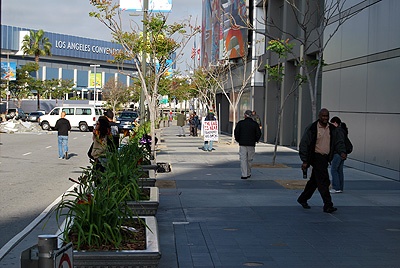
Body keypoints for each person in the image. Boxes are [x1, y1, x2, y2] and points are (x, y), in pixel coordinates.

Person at [297, 108, 347, 213]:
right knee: (324, 181)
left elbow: (338, 142)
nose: (325, 118)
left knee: (314, 181)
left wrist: (342, 152)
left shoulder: (332, 129)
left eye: (327, 116)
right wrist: (305, 160)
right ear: (319, 116)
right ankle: (328, 205)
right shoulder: (312, 128)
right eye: (323, 116)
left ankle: (302, 199)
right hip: (316, 157)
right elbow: (304, 144)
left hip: (325, 158)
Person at [234, 110, 262, 179]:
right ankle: (248, 172)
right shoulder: (255, 124)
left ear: (245, 115)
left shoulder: (240, 123)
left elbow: (236, 132)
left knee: (243, 159)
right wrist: (255, 140)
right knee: (249, 159)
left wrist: (238, 140)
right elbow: (258, 133)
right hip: (251, 144)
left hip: (243, 143)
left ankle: (244, 174)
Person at [330, 116, 349, 193]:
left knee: (334, 170)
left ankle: (336, 187)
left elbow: (339, 143)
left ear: (335, 123)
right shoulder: (342, 130)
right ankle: (339, 187)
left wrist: (341, 152)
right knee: (339, 170)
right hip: (341, 153)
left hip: (338, 153)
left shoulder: (338, 131)